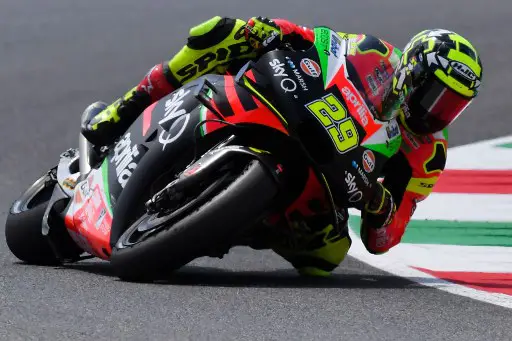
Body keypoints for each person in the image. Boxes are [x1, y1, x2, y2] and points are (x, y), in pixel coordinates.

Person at [81, 16, 483, 276]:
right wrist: (271, 29)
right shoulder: (373, 53)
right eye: (435, 95)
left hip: (327, 185)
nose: (438, 112)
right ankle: (123, 109)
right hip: (293, 113)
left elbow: (386, 240)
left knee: (325, 258)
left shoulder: (430, 152)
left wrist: (379, 205)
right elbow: (314, 41)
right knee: (222, 32)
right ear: (410, 73)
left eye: (453, 106)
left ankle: (221, 223)